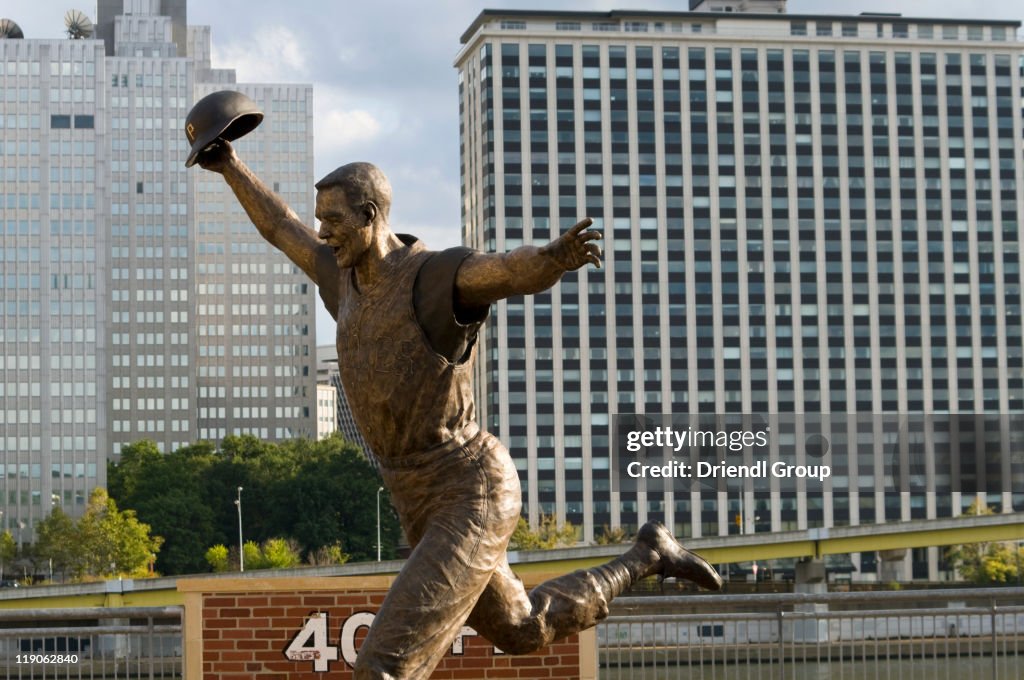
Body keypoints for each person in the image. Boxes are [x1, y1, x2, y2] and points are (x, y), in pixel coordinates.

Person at [197, 142, 723, 680]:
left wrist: (553, 259)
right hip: (415, 499)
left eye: (333, 220)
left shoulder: (431, 279)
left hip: (470, 489)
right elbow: (280, 226)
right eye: (321, 221)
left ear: (370, 216)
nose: (323, 232)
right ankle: (648, 555)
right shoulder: (343, 281)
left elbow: (505, 271)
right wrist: (229, 165)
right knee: (523, 628)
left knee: (383, 667)